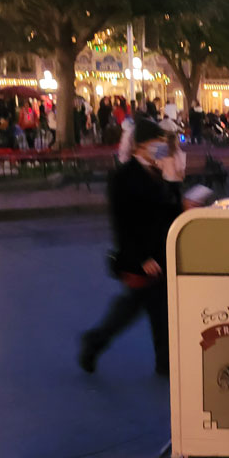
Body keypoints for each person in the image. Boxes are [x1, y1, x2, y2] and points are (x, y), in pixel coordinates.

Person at [78, 117, 182, 376]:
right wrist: (142, 257)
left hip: (161, 252)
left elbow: (169, 211)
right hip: (140, 256)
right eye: (157, 142)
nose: (161, 146)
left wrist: (174, 182)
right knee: (135, 307)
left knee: (153, 306)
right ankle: (95, 341)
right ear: (141, 146)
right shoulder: (122, 177)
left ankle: (163, 362)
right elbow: (122, 223)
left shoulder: (159, 172)